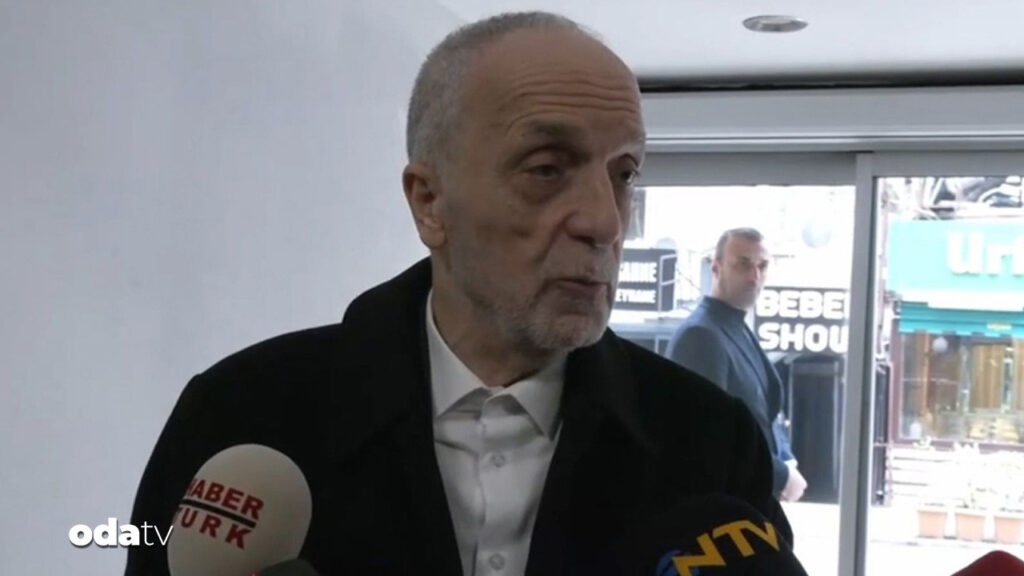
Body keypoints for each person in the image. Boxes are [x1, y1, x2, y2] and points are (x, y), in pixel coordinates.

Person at [126, 12, 792, 576]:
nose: (605, 222)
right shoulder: (244, 414)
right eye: (546, 169)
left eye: (624, 174)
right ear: (430, 202)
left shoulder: (710, 441)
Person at [667, 228, 808, 503]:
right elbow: (708, 436)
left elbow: (762, 415)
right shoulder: (700, 335)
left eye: (762, 266)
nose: (755, 276)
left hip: (749, 498)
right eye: (743, 264)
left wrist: (787, 461)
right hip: (721, 506)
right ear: (716, 268)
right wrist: (780, 476)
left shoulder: (735, 327)